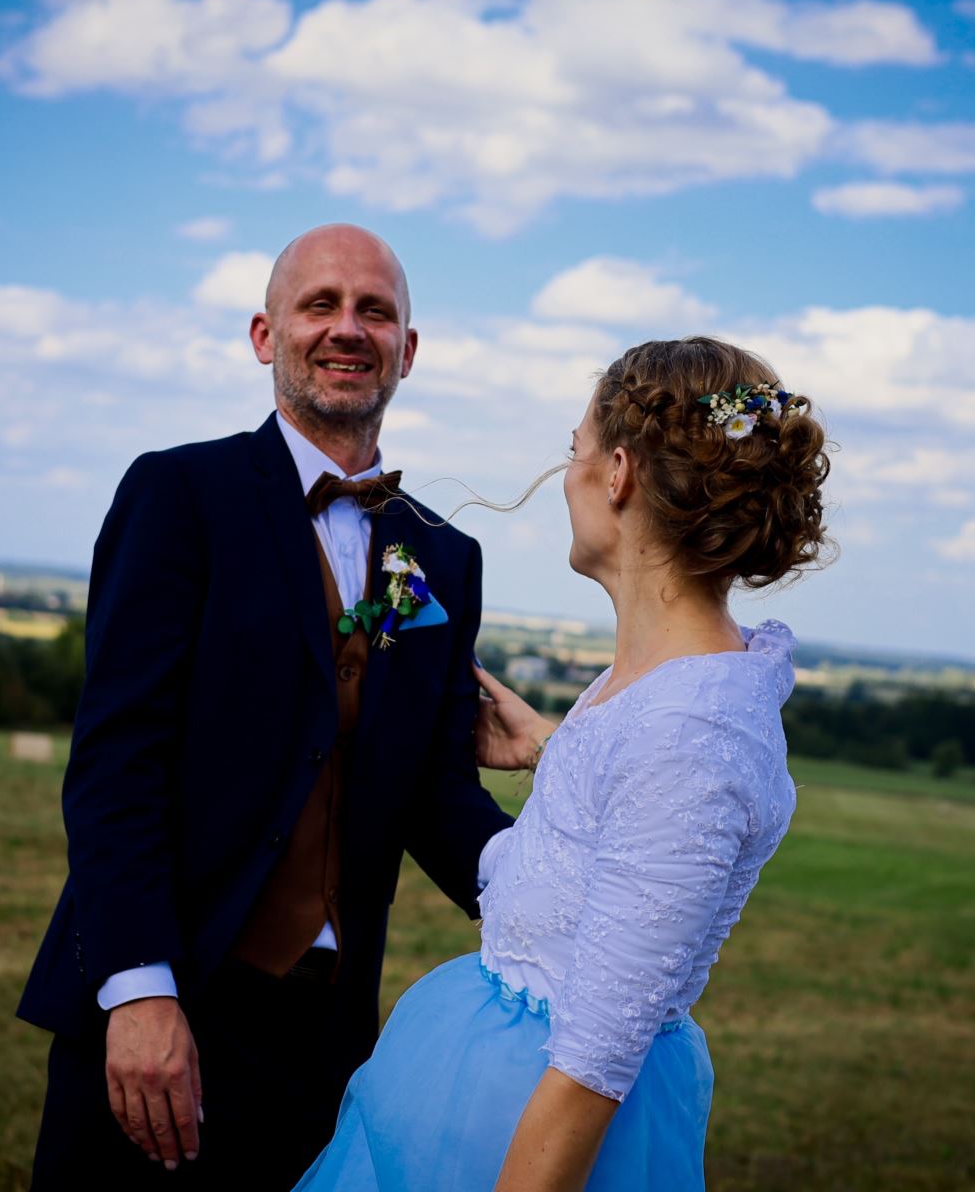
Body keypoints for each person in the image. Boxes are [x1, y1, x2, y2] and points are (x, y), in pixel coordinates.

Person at [20, 224, 520, 1189]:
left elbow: (432, 793)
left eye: (375, 311)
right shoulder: (179, 494)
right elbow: (119, 760)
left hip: (328, 1040)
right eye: (319, 305)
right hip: (167, 997)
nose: (348, 328)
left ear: (408, 349)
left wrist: (547, 880)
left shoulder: (441, 555)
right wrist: (140, 990)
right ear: (265, 335)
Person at [291, 335, 831, 1192]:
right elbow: (609, 855)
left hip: (535, 1127)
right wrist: (559, 754)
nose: (567, 477)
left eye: (575, 450)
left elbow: (591, 1068)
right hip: (488, 1088)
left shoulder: (694, 733)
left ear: (617, 473)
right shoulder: (652, 689)